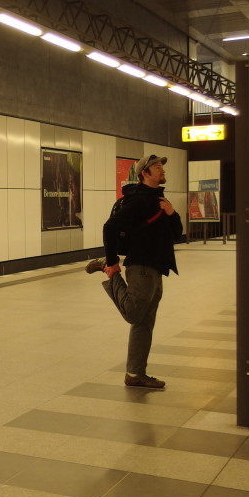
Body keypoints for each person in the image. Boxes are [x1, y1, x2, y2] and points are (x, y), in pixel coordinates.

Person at [85, 154, 183, 389]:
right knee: (133, 314)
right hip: (141, 266)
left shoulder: (158, 198)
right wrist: (112, 261)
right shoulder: (139, 200)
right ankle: (108, 270)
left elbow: (177, 233)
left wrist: (172, 213)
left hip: (156, 267)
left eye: (161, 166)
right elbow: (110, 227)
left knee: (144, 323)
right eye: (157, 167)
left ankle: (135, 374)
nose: (162, 170)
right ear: (144, 174)